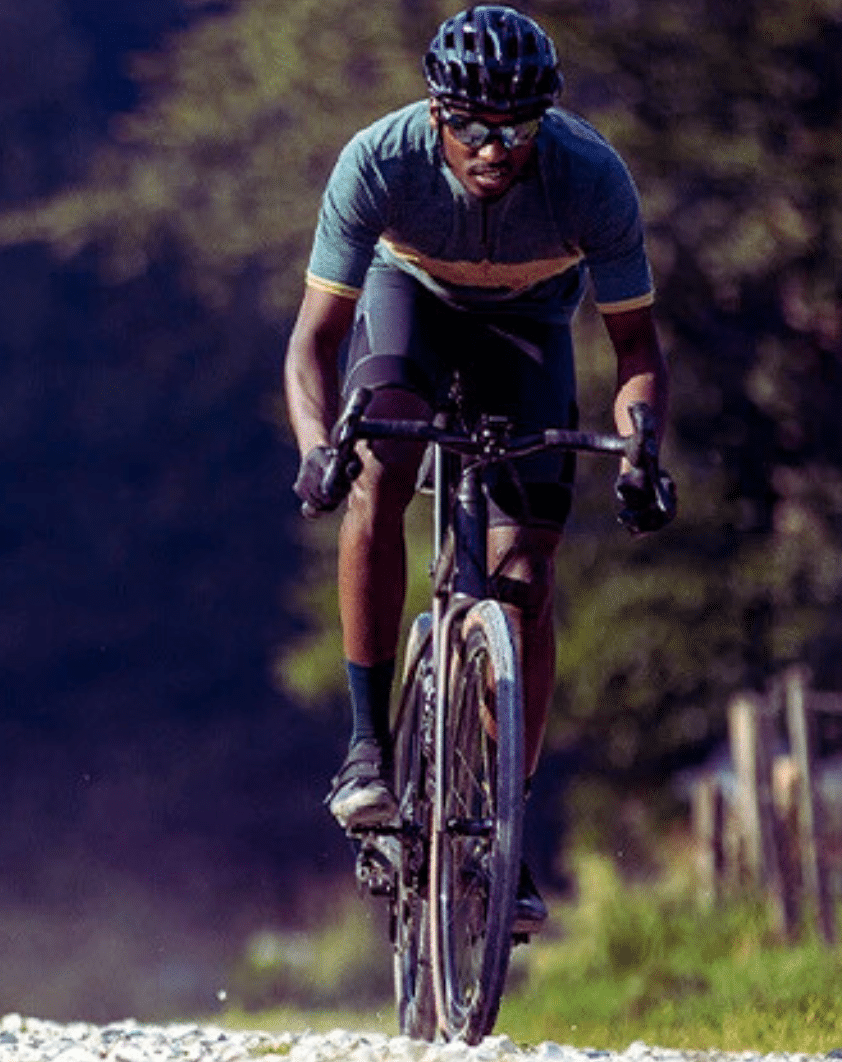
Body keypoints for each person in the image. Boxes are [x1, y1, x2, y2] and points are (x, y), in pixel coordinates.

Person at [283, 6, 676, 933]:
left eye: (518, 129)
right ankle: (366, 750)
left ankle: (502, 831)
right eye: (473, 128)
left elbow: (637, 351)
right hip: (408, 306)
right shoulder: (379, 162)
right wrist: (314, 451)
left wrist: (642, 451)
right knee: (382, 463)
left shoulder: (591, 178)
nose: (496, 149)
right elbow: (312, 343)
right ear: (435, 114)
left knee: (530, 580)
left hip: (529, 332)